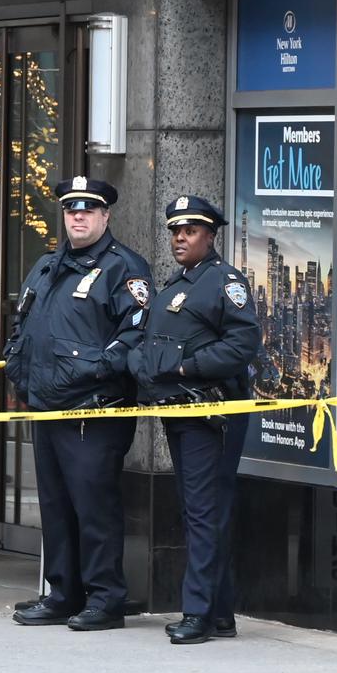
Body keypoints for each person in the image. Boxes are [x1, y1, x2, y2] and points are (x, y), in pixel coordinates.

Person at [4, 175, 150, 631]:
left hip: (94, 411)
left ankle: (105, 599)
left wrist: (96, 372)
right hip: (47, 407)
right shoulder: (47, 266)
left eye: (88, 210)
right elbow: (22, 324)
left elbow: (135, 335)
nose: (79, 217)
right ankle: (63, 593)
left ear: (106, 216)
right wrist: (16, 365)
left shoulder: (123, 267)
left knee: (94, 507)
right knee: (56, 505)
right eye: (72, 210)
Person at [133, 195, 263, 645]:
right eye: (174, 231)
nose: (179, 239)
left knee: (204, 513)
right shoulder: (177, 283)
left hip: (212, 415)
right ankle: (220, 612)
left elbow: (243, 344)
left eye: (189, 231)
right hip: (181, 412)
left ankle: (198, 613)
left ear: (211, 235)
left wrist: (189, 367)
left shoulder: (225, 282)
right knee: (198, 512)